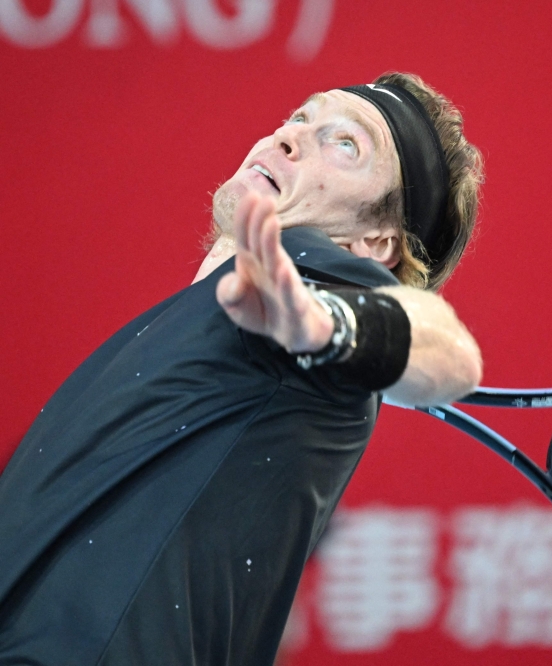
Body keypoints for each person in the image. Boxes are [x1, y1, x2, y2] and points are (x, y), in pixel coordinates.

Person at [0, 73, 484, 665]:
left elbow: (449, 349)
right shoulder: (192, 321)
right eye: (302, 117)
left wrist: (324, 323)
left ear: (376, 243)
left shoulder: (313, 277)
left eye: (347, 144)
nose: (289, 137)